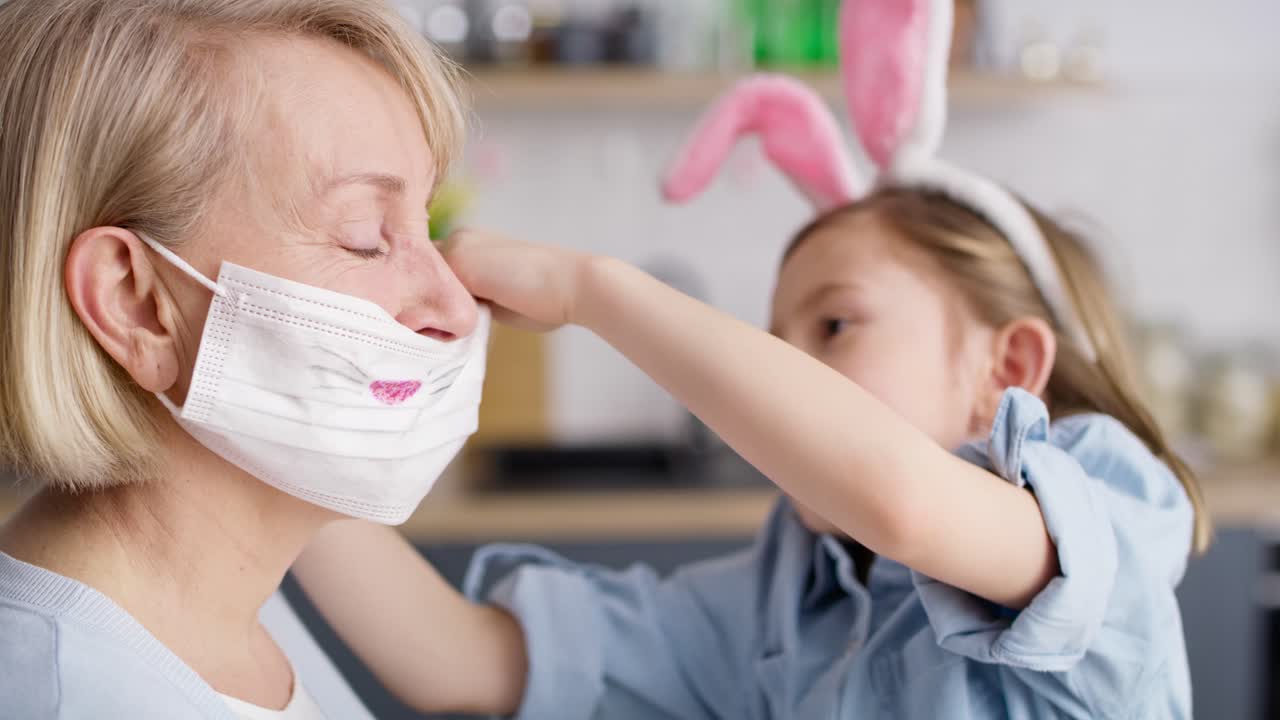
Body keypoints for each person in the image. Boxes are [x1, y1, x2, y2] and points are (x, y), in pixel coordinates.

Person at [292, 0, 1210, 717]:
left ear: (1006, 369)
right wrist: (276, 429)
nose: (784, 374)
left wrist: (592, 291)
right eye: (774, 345)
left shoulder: (1104, 521)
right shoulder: (786, 598)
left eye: (836, 327)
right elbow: (452, 656)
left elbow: (904, 503)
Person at [0, 1, 493, 717]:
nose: (455, 304)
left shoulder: (229, 610)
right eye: (364, 237)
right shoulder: (80, 694)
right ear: (135, 302)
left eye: (426, 222)